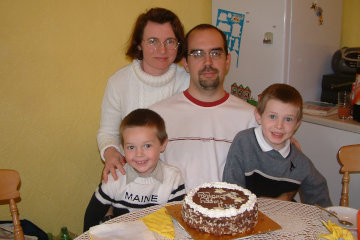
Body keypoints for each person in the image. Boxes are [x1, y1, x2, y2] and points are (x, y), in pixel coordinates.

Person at [150, 24, 258, 192]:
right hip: (172, 216)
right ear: (186, 63)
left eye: (215, 53)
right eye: (198, 54)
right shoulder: (157, 117)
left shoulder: (252, 119)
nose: (208, 62)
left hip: (230, 216)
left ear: (227, 61)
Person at [97, 8, 190, 182]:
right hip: (133, 175)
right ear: (139, 44)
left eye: (170, 41)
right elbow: (107, 133)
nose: (162, 50)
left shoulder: (188, 81)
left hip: (176, 179)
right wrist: (111, 153)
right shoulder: (119, 82)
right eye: (153, 41)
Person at [223, 83, 332, 207]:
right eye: (273, 116)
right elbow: (231, 191)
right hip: (245, 217)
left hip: (283, 219)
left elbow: (320, 196)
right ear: (259, 116)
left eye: (288, 119)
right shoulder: (244, 142)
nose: (279, 125)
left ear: (297, 124)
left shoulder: (299, 162)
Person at [84, 109, 186, 231]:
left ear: (163, 144)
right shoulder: (114, 178)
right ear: (122, 148)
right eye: (131, 147)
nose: (139, 154)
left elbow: (179, 224)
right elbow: (91, 218)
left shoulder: (173, 178)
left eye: (147, 146)